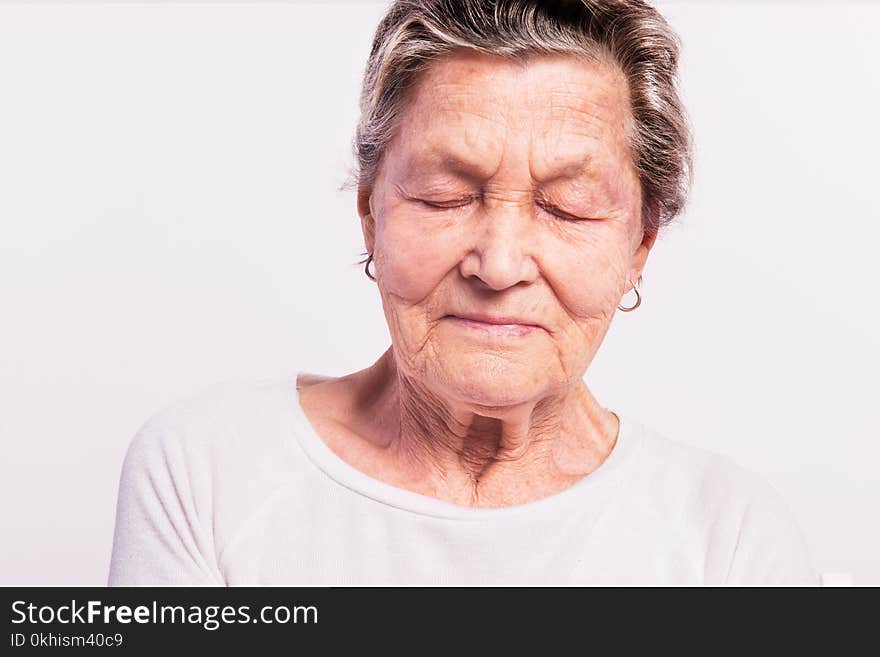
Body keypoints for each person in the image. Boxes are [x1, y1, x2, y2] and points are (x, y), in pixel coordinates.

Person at [108, 0, 816, 585]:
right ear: (370, 213)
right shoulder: (209, 470)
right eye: (445, 197)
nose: (499, 263)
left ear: (640, 244)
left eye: (567, 208)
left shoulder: (730, 542)